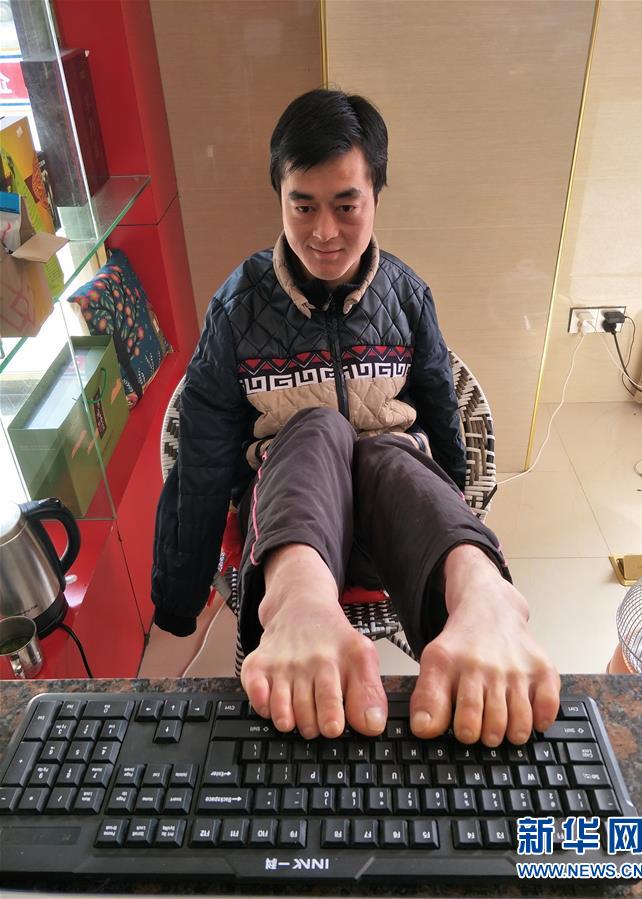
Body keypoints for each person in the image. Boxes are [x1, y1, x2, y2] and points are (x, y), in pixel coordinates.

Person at [152, 88, 560, 746]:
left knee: (389, 451)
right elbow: (200, 457)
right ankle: (298, 604)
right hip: (289, 524)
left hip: (390, 535)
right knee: (318, 429)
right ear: (279, 198)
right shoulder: (237, 308)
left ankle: (483, 592)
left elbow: (443, 424)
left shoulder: (407, 296)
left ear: (376, 196)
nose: (324, 232)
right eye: (303, 206)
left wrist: (457, 517)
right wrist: (179, 599)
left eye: (346, 206)